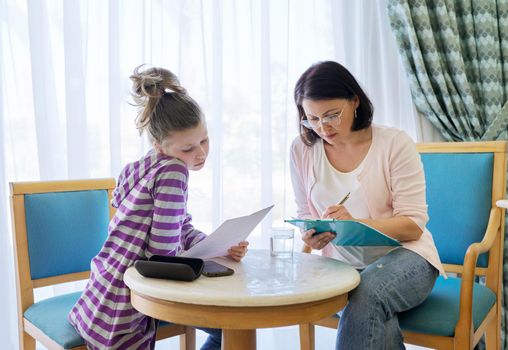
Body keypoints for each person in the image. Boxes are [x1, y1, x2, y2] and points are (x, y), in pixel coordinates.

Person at [68, 66, 248, 350]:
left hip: (100, 297)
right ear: (159, 144)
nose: (200, 153)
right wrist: (208, 255)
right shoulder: (174, 172)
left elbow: (179, 227)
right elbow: (162, 255)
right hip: (128, 305)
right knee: (230, 329)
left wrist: (215, 245)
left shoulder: (138, 168)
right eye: (188, 149)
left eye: (204, 140)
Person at [290, 61, 444, 350]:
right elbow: (305, 214)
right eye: (312, 118)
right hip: (340, 263)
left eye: (332, 115)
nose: (323, 127)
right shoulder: (301, 150)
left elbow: (413, 224)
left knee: (364, 293)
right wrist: (311, 233)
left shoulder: (394, 144)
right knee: (374, 316)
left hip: (408, 257)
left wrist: (356, 224)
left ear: (355, 101)